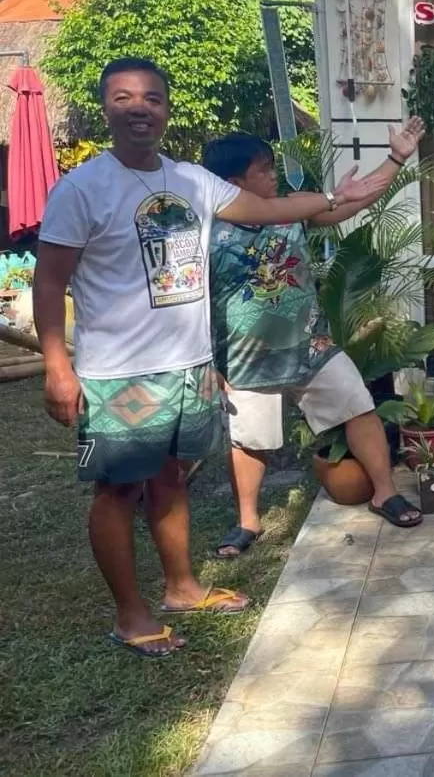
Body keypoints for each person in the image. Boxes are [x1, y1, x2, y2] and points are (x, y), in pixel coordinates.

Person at [33, 57, 393, 658]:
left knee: (172, 478)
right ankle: (131, 614)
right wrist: (56, 366)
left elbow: (266, 211)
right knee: (118, 491)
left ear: (166, 108)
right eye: (124, 98)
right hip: (120, 372)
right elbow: (48, 284)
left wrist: (334, 196)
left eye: (151, 96)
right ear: (107, 108)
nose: (139, 107)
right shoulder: (81, 189)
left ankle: (181, 587)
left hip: (191, 363)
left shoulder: (192, 181)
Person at [204, 125, 425, 558]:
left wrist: (397, 158)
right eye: (264, 171)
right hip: (246, 358)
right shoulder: (206, 233)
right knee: (249, 438)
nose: (274, 178)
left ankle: (384, 493)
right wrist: (206, 361)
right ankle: (247, 520)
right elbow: (190, 301)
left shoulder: (289, 210)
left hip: (312, 346)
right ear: (233, 185)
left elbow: (351, 200)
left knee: (358, 405)